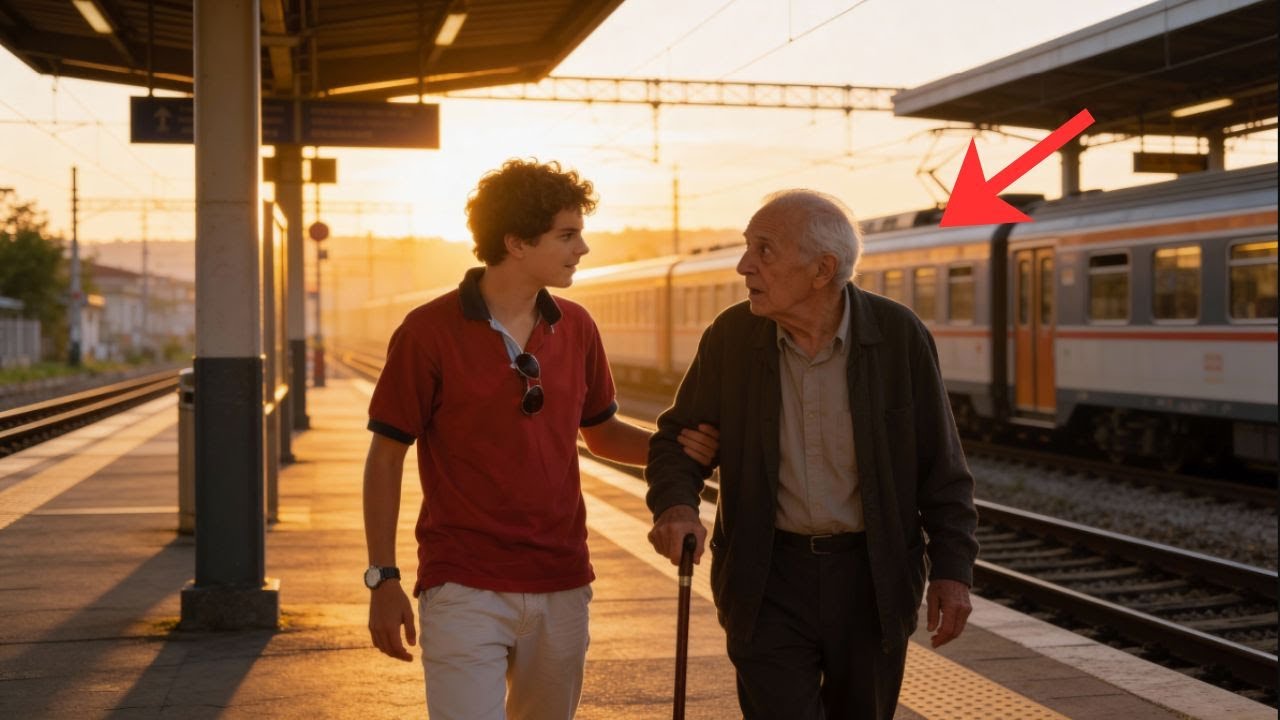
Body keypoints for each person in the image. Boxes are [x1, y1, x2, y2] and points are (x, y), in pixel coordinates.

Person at [362, 158, 716, 719]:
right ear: (517, 242)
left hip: (562, 580)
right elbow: (385, 457)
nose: (583, 248)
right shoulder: (427, 332)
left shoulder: (578, 327)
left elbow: (601, 435)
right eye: (567, 235)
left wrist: (679, 451)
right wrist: (383, 578)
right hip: (463, 582)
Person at [645, 189, 979, 719]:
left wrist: (952, 572)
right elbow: (677, 443)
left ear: (822, 269)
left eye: (764, 250)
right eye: (747, 247)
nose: (744, 265)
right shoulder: (732, 337)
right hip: (766, 578)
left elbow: (942, 470)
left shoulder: (898, 336)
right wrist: (677, 506)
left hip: (872, 581)